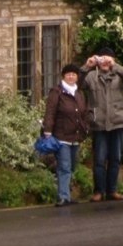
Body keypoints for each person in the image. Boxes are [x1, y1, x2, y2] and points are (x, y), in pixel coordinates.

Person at [82, 47, 123, 201]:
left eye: (108, 59)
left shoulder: (119, 76)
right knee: (99, 159)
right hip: (99, 123)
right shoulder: (91, 76)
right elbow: (77, 84)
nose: (104, 62)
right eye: (102, 59)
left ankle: (112, 190)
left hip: (118, 122)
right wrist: (86, 66)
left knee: (115, 158)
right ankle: (99, 191)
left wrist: (114, 65)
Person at [42, 63, 88, 206]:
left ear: (77, 77)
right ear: (63, 76)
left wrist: (86, 128)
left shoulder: (79, 93)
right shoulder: (56, 92)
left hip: (76, 137)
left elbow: (84, 113)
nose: (71, 77)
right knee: (64, 166)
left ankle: (67, 194)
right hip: (61, 136)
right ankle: (63, 197)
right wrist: (48, 131)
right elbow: (50, 112)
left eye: (73, 74)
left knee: (72, 166)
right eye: (68, 74)